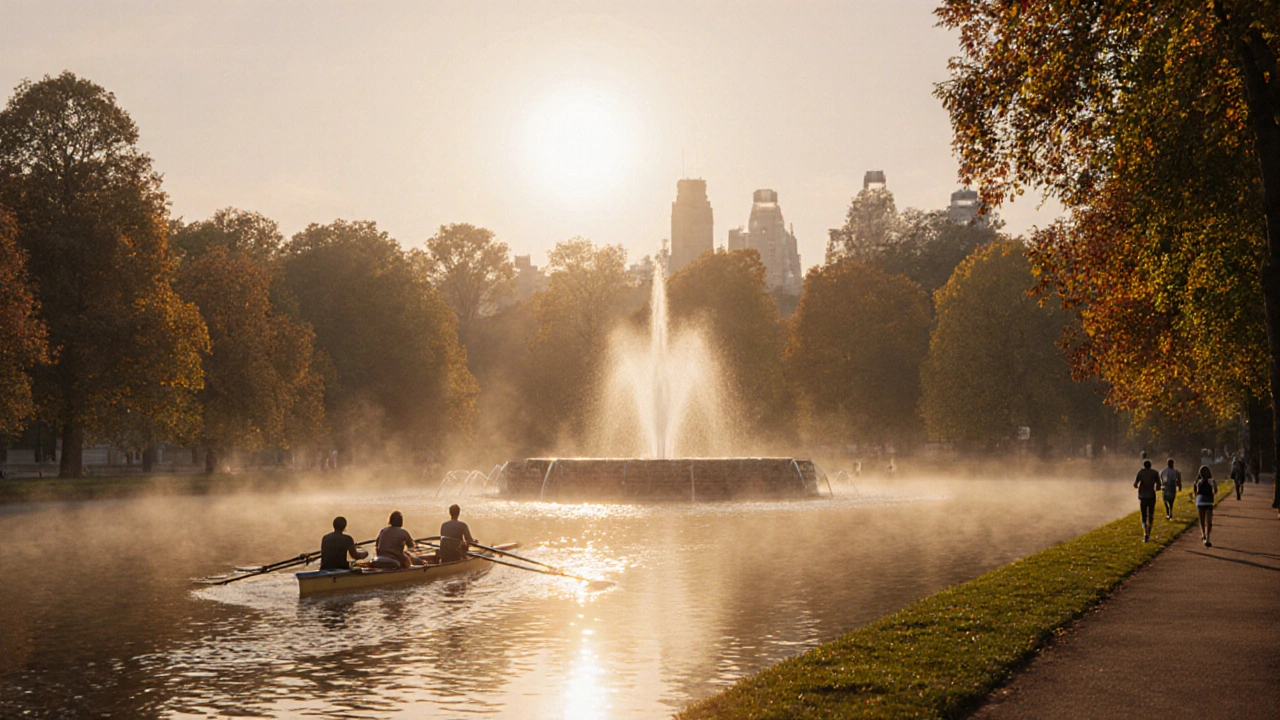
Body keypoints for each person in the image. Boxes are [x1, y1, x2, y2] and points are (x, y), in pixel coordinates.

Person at [1133, 460, 1161, 542]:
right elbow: (1159, 485)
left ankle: (1145, 534)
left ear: (1144, 465)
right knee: (1151, 515)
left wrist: (1140, 486)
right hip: (1151, 496)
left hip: (1143, 496)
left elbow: (1135, 484)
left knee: (1144, 516)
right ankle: (1149, 532)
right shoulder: (1155, 473)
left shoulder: (1140, 473)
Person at [1193, 465, 1217, 546]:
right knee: (1209, 522)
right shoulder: (1212, 481)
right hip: (1209, 502)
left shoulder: (1199, 482)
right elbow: (1215, 490)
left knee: (1202, 520)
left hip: (1200, 502)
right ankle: (1208, 537)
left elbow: (1196, 492)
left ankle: (1203, 534)